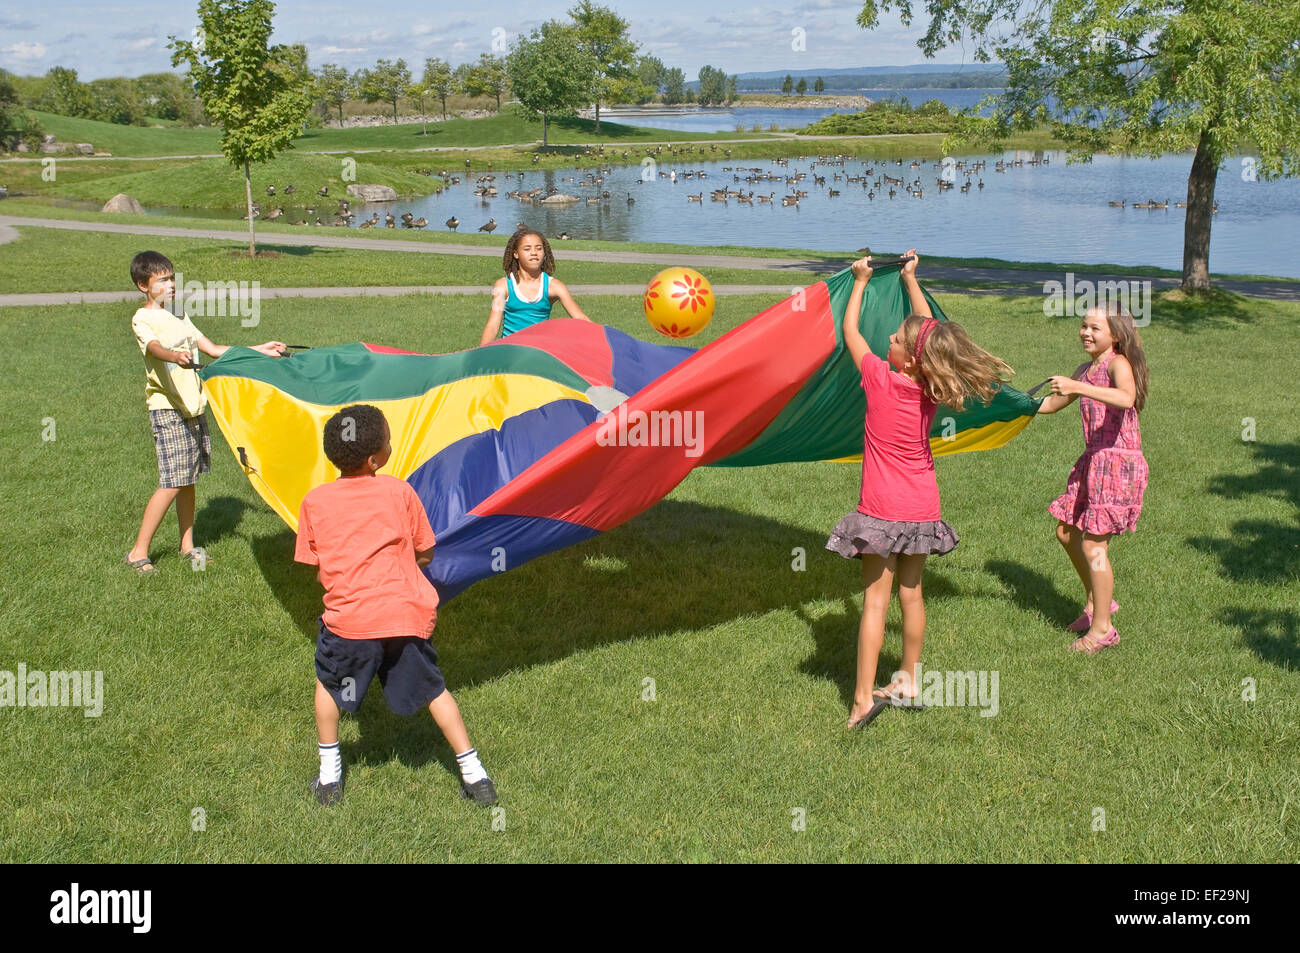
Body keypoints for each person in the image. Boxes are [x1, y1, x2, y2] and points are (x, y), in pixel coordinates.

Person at [827, 251, 1014, 729]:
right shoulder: (929, 387)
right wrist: (912, 279)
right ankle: (908, 679)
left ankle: (862, 700)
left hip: (883, 508)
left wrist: (860, 282)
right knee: (911, 594)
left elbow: (849, 333)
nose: (885, 339)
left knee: (875, 602)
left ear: (908, 358)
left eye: (893, 339)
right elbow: (926, 329)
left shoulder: (879, 379)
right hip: (923, 504)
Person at [294, 404, 497, 807]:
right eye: (389, 440)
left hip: (350, 622)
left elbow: (318, 569)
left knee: (328, 684)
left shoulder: (315, 502)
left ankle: (329, 777)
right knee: (434, 689)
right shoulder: (400, 492)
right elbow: (425, 551)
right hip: (406, 616)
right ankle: (476, 775)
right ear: (376, 459)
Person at [125, 250, 285, 574]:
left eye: (172, 278)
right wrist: (173, 355)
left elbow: (212, 349)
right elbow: (153, 348)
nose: (170, 285)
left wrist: (259, 350)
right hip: (168, 407)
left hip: (193, 405)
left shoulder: (179, 313)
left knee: (188, 479)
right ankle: (138, 552)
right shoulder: (142, 319)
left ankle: (187, 546)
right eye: (162, 280)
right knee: (172, 480)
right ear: (143, 285)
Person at [1037, 303, 1149, 654]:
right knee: (1066, 531)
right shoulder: (1084, 371)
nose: (1086, 332)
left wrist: (1078, 387)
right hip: (1093, 462)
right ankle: (1096, 604)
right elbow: (1049, 405)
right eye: (1083, 326)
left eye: (1094, 328)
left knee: (1093, 545)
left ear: (1115, 335)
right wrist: (1004, 404)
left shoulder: (1118, 364)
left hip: (1117, 464)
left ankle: (1103, 629)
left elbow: (1126, 397)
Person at [478, 227, 592, 345]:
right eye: (527, 249)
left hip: (539, 352)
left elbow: (580, 318)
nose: (534, 253)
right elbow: (492, 326)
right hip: (510, 352)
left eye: (539, 248)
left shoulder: (555, 286)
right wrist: (479, 356)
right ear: (516, 254)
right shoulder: (503, 286)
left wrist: (604, 338)